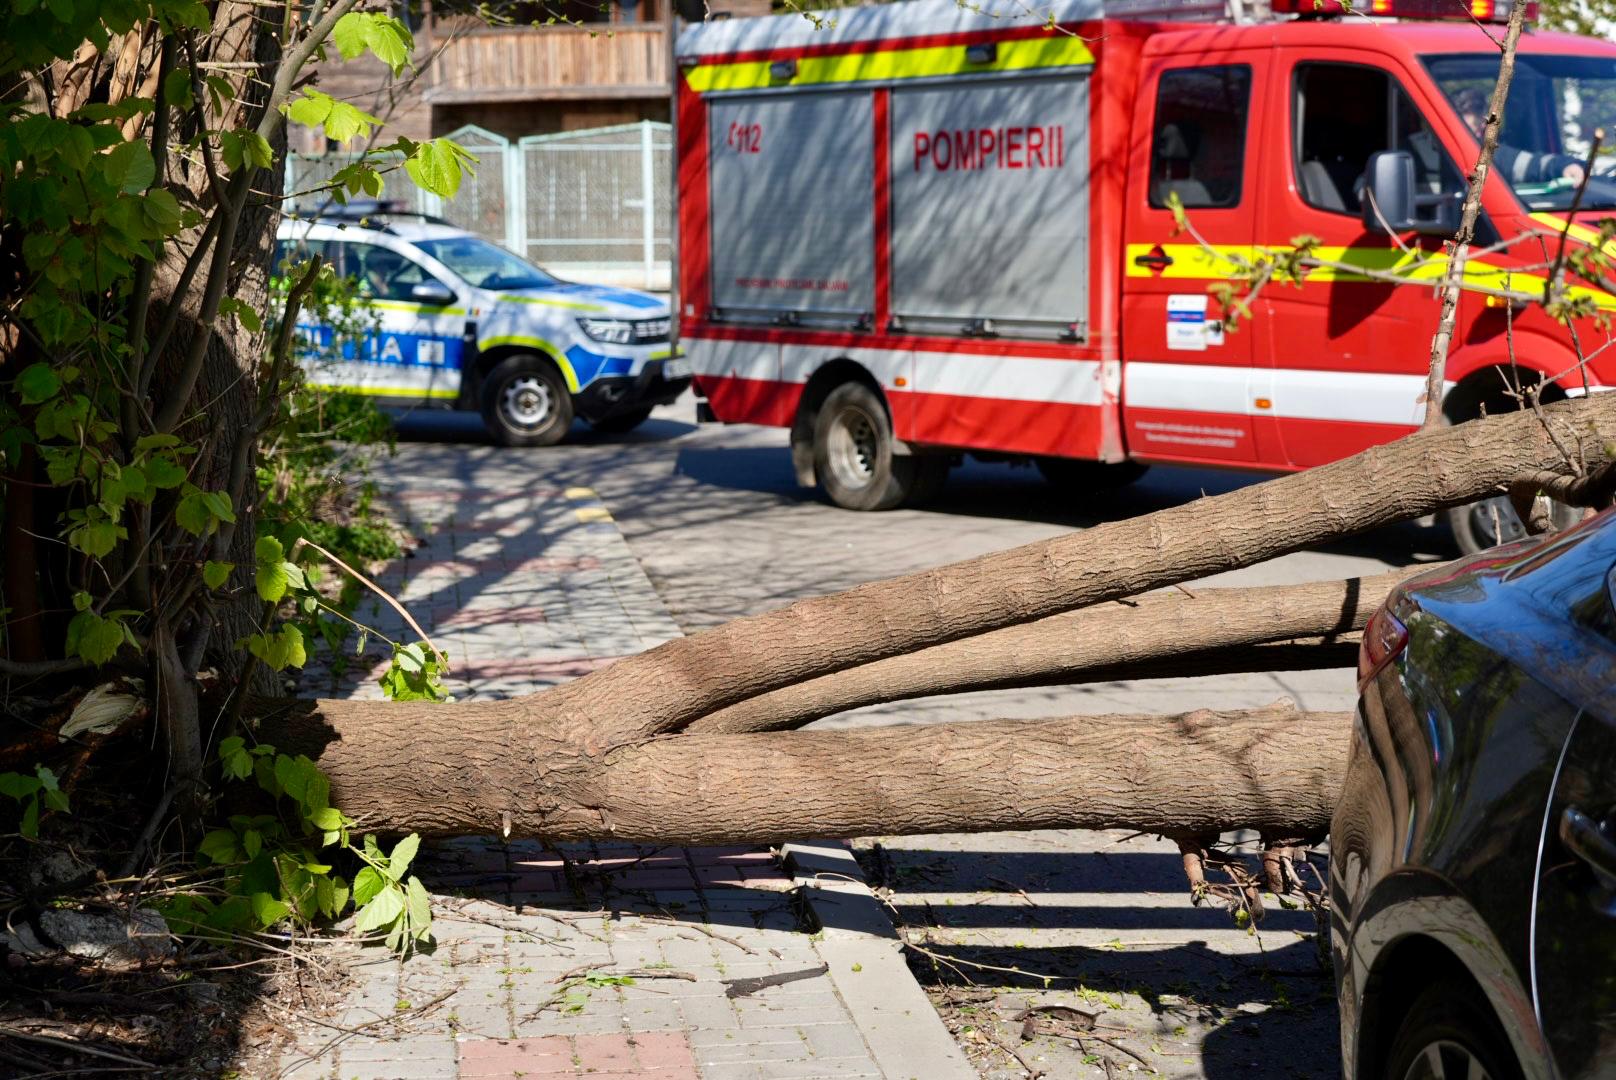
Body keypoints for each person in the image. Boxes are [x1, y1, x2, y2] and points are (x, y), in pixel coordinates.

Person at [1450, 86, 1586, 186]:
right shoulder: (1431, 159)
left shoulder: (1491, 155)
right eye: (1473, 125)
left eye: (1482, 123)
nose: (1483, 127)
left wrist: (1565, 166)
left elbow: (1534, 164)